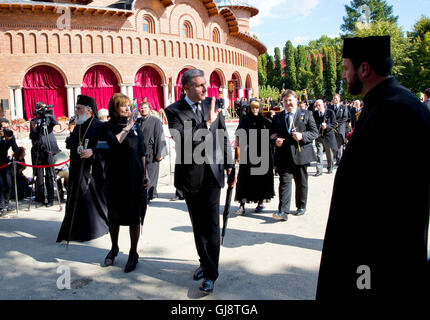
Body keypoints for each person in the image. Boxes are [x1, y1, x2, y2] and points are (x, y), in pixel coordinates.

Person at [316, 36, 430, 300]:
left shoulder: (399, 110)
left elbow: (397, 202)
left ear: (364, 69)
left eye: (346, 69)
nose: (343, 76)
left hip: (378, 258)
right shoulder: (382, 103)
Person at [165, 69, 234, 294]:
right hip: (191, 177)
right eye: (199, 85)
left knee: (212, 225)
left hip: (213, 174)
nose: (205, 88)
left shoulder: (211, 104)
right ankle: (204, 263)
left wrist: (230, 165)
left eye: (205, 84)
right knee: (198, 225)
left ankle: (211, 274)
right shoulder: (174, 110)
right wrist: (205, 125)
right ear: (186, 88)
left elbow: (223, 136)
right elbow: (181, 140)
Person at [102, 93, 150, 273]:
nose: (128, 108)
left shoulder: (136, 128)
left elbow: (142, 152)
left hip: (134, 178)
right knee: (114, 216)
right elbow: (114, 143)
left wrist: (146, 175)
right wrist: (127, 128)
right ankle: (114, 248)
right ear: (115, 108)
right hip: (115, 178)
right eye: (123, 106)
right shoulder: (107, 127)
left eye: (129, 105)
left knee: (133, 217)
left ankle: (133, 252)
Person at [56, 95, 109, 243]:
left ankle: (94, 228)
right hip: (76, 170)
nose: (76, 111)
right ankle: (74, 230)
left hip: (92, 170)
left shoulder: (99, 125)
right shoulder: (78, 126)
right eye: (76, 108)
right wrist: (71, 130)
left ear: (89, 110)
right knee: (76, 199)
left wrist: (93, 151)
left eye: (79, 109)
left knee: (89, 200)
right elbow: (71, 145)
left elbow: (107, 146)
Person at [270, 90, 318, 221]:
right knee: (284, 182)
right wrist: (275, 141)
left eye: (290, 100)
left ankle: (301, 206)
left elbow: (315, 132)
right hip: (283, 155)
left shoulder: (306, 114)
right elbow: (271, 135)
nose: (288, 103)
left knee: (301, 182)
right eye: (285, 101)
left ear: (296, 100)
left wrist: (303, 136)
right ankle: (283, 211)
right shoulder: (277, 117)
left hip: (300, 154)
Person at [233, 100, 274, 215]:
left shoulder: (266, 121)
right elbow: (238, 135)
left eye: (257, 108)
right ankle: (242, 205)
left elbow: (273, 135)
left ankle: (260, 202)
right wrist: (237, 151)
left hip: (263, 154)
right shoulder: (245, 121)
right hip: (248, 153)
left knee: (261, 179)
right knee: (244, 179)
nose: (255, 110)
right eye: (253, 108)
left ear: (260, 109)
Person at [29, 102, 60, 207]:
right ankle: (40, 198)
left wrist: (49, 113)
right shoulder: (33, 121)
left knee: (50, 175)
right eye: (38, 109)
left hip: (49, 149)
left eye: (41, 108)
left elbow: (55, 122)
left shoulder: (49, 118)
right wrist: (33, 129)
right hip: (37, 151)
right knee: (39, 176)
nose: (40, 111)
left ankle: (50, 199)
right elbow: (32, 137)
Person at [136, 101, 168, 202]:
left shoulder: (156, 121)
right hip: (140, 153)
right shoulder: (137, 121)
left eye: (145, 108)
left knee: (152, 175)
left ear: (149, 109)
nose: (143, 110)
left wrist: (160, 154)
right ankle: (145, 193)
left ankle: (151, 194)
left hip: (152, 153)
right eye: (141, 108)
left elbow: (159, 137)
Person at [312, 100, 338, 176]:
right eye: (316, 105)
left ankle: (330, 167)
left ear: (323, 104)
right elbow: (313, 124)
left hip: (328, 135)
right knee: (319, 153)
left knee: (328, 152)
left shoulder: (330, 112)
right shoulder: (314, 114)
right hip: (319, 135)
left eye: (319, 105)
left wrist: (327, 126)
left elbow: (334, 123)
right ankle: (319, 170)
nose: (317, 107)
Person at [0, 118, 19, 215]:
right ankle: (2, 207)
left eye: (7, 127)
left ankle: (6, 205)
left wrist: (11, 140)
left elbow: (16, 150)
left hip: (5, 163)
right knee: (0, 185)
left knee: (8, 184)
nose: (6, 129)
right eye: (4, 128)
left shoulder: (9, 135)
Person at [327, 94, 348, 165]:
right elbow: (328, 117)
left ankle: (339, 159)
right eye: (333, 98)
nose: (335, 100)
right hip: (332, 128)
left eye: (336, 98)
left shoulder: (343, 107)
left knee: (339, 145)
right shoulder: (330, 107)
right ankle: (335, 158)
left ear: (339, 99)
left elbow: (345, 117)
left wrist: (337, 124)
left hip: (339, 128)